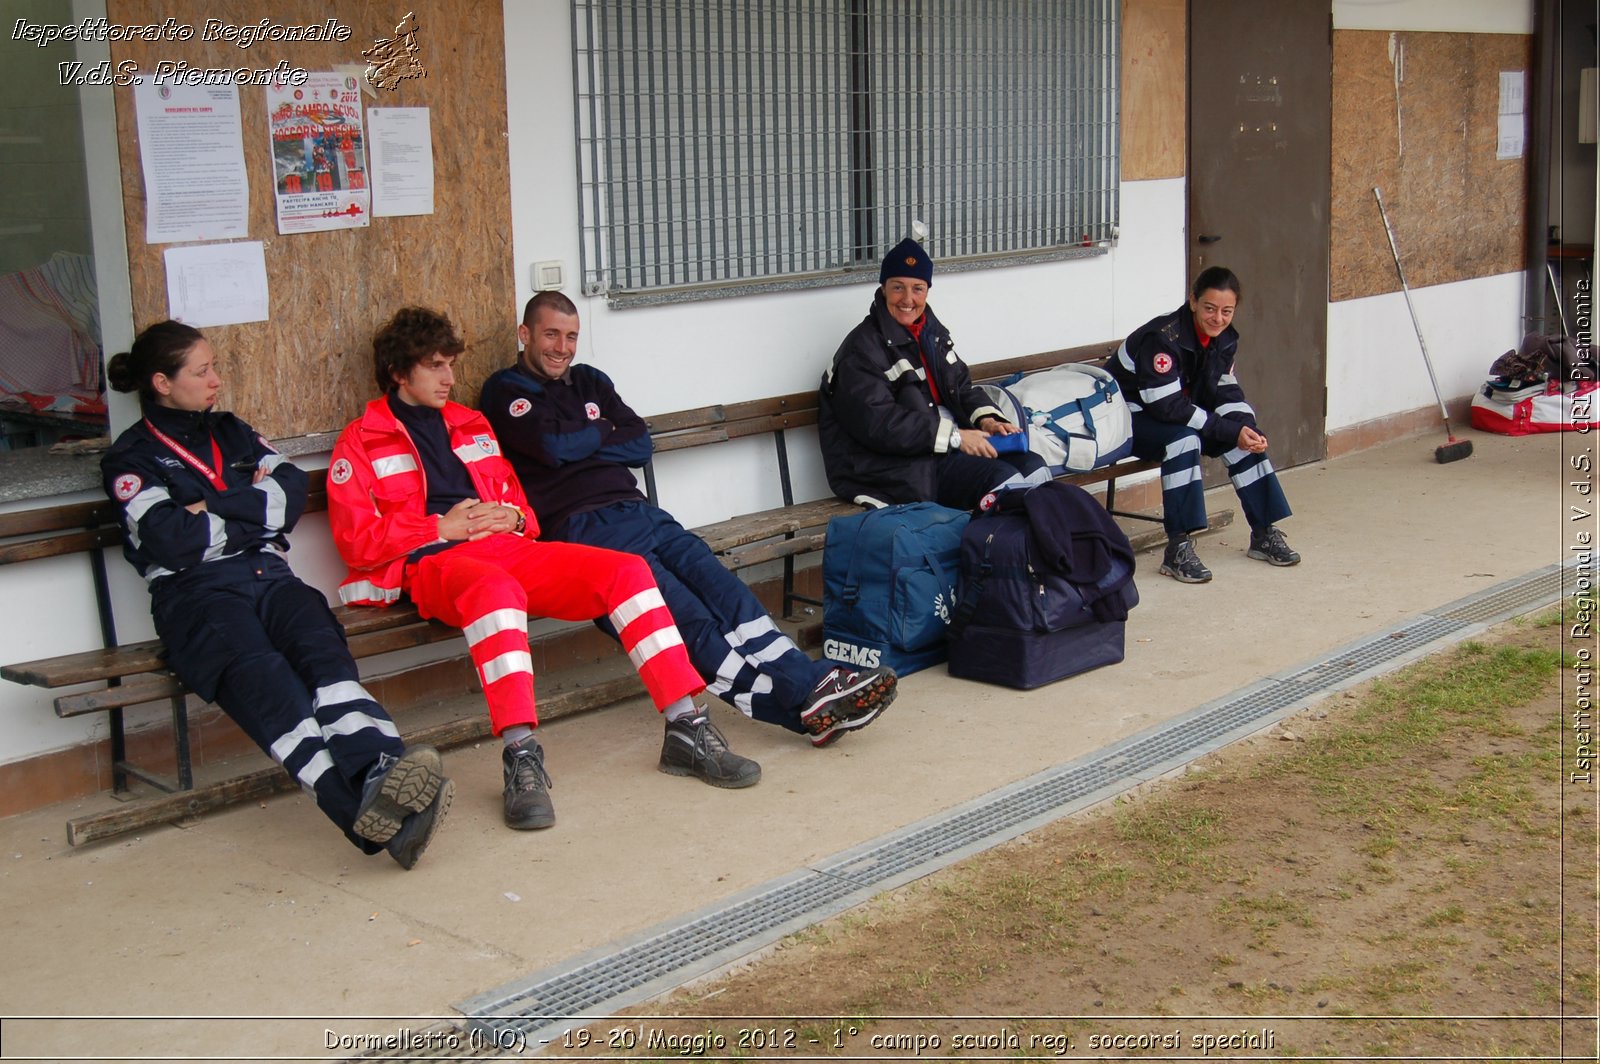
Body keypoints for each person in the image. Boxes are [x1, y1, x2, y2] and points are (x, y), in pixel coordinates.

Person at [327, 306, 753, 834]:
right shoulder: (360, 441)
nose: (449, 378)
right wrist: (440, 529)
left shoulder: (471, 424)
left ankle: (686, 726)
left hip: (508, 548)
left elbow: (525, 511)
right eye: (435, 366)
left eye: (451, 365)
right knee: (498, 592)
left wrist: (511, 515)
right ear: (398, 372)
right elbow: (355, 541)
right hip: (436, 564)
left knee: (627, 572)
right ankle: (521, 756)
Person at [100, 321, 450, 870]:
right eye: (202, 371)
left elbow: (286, 496)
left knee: (326, 663)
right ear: (162, 383)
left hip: (270, 577)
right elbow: (171, 542)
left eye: (214, 366)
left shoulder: (232, 431)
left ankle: (383, 770)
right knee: (276, 693)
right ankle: (367, 817)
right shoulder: (131, 458)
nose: (215, 379)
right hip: (196, 600)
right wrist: (243, 506)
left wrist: (207, 511)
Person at [479, 293, 898, 750]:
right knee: (688, 621)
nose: (562, 347)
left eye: (572, 336)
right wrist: (601, 430)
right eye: (551, 334)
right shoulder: (506, 391)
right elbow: (553, 449)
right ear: (525, 335)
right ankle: (804, 702)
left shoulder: (591, 381)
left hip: (641, 512)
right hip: (585, 530)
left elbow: (639, 444)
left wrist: (581, 436)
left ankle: (813, 688)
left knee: (727, 593)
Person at [818, 235, 1050, 510]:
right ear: (883, 289)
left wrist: (988, 420)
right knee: (1002, 481)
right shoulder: (861, 350)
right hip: (889, 468)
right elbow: (881, 425)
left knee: (1034, 467)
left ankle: (1047, 548)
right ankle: (1007, 550)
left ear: (927, 291)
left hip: (937, 449)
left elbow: (961, 388)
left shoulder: (931, 333)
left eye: (917, 288)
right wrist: (956, 437)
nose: (908, 299)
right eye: (898, 288)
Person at [1107, 266, 1301, 583]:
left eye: (1227, 311)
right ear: (1193, 301)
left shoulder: (1224, 339)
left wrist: (1245, 426)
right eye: (1210, 308)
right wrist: (1227, 430)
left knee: (1244, 440)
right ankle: (1178, 548)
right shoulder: (1163, 338)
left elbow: (1224, 389)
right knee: (1185, 440)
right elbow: (1165, 405)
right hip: (1130, 417)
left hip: (1175, 413)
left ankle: (1264, 533)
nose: (1218, 318)